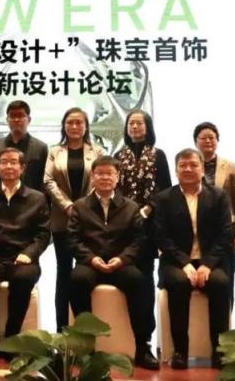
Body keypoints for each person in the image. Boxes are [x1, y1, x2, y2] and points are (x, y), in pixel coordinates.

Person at [68, 156, 158, 370]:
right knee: (77, 280)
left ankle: (143, 347)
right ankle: (85, 349)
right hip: (90, 263)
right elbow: (72, 239)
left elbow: (138, 240)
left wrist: (123, 259)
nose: (105, 177)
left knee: (140, 281)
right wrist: (91, 258)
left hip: (121, 264)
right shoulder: (80, 206)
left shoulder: (131, 207)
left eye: (110, 173)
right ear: (92, 177)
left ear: (118, 177)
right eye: (100, 173)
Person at [154, 148, 233, 369]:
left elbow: (225, 234)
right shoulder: (164, 198)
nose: (188, 169)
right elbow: (161, 237)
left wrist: (207, 264)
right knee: (179, 282)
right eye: (183, 165)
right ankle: (180, 351)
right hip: (175, 261)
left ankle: (220, 351)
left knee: (220, 282)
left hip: (210, 261)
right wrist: (185, 263)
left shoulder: (218, 196)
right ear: (176, 170)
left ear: (202, 168)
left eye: (193, 165)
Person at [0, 147, 50, 362]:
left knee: (23, 279)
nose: (8, 166)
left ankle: (11, 339)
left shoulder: (37, 198)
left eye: (13, 162)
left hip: (23, 258)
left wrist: (29, 253)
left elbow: (44, 234)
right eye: (4, 162)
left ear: (22, 168)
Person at [113, 110, 171, 355]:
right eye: (131, 123)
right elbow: (114, 191)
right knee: (129, 279)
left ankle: (144, 340)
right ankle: (124, 338)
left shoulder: (158, 155)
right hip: (124, 228)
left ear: (148, 127)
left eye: (139, 123)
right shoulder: (118, 156)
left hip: (149, 227)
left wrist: (148, 208)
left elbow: (165, 189)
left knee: (145, 281)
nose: (135, 127)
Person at [44, 107, 105, 332]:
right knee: (63, 273)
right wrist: (68, 205)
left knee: (83, 272)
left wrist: (81, 207)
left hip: (90, 220)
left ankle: (83, 328)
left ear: (86, 126)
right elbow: (48, 180)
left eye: (79, 122)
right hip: (62, 219)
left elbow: (100, 179)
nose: (75, 126)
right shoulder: (55, 151)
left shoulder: (97, 151)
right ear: (64, 126)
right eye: (70, 122)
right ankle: (61, 327)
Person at [193, 121, 235, 303]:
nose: (208, 141)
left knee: (227, 279)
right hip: (198, 232)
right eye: (203, 138)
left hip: (226, 230)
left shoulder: (229, 166)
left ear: (217, 141)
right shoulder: (190, 165)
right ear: (196, 141)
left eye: (212, 137)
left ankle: (227, 316)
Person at [0, 100, 49, 192]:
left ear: (29, 119)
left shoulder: (40, 148)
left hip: (31, 199)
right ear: (7, 120)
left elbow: (44, 181)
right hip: (0, 198)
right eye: (12, 116)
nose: (16, 119)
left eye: (20, 115)